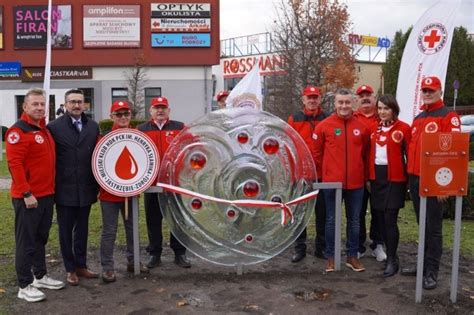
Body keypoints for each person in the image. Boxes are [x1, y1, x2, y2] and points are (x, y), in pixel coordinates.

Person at [6, 88, 65, 302]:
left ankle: (40, 276)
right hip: (29, 198)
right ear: (25, 107)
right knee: (26, 241)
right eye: (35, 104)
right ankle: (24, 284)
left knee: (41, 238)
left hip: (47, 195)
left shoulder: (44, 130)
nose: (40, 108)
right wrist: (26, 193)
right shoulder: (18, 131)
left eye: (43, 104)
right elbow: (15, 164)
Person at [402, 76, 461, 289]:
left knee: (434, 228)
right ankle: (422, 264)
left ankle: (431, 272)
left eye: (431, 90)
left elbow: (452, 152)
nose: (427, 94)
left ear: (440, 91)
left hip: (435, 182)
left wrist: (443, 186)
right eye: (424, 90)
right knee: (422, 225)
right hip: (416, 179)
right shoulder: (418, 118)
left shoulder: (448, 116)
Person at [47, 89, 100, 286]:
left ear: (84, 104)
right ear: (65, 104)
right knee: (65, 231)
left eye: (80, 102)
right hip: (64, 188)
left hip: (86, 187)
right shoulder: (53, 127)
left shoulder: (93, 127)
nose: (76, 105)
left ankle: (81, 265)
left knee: (82, 230)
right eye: (72, 102)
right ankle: (70, 269)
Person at [313, 88, 370, 273]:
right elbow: (317, 153)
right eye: (340, 102)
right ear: (335, 104)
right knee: (331, 220)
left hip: (356, 184)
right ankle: (331, 256)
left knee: (354, 221)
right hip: (332, 184)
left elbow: (366, 154)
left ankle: (352, 256)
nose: (344, 106)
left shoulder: (361, 127)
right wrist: (327, 173)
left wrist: (364, 176)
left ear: (353, 103)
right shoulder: (324, 126)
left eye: (347, 102)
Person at [137, 97, 191, 269]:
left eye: (163, 108)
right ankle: (155, 254)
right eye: (156, 108)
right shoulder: (142, 129)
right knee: (153, 219)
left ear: (169, 110)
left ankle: (179, 253)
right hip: (151, 182)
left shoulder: (180, 127)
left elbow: (191, 146)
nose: (160, 111)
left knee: (177, 218)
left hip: (173, 182)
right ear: (151, 111)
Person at [99, 100, 149, 283]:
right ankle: (107, 267)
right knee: (109, 231)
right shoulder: (104, 137)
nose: (123, 118)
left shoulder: (137, 135)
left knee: (133, 229)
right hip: (109, 194)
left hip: (132, 193)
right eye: (118, 114)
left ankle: (133, 261)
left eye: (126, 114)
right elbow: (99, 165)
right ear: (112, 117)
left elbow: (145, 162)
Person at [368, 94, 411, 277]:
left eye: (386, 108)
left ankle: (392, 259)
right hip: (377, 178)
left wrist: (410, 181)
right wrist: (368, 178)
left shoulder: (404, 129)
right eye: (380, 108)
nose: (382, 112)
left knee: (390, 219)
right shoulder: (374, 130)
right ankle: (390, 255)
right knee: (380, 218)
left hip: (394, 179)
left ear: (393, 109)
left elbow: (410, 155)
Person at [287, 86, 328, 262]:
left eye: (315, 97)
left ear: (320, 99)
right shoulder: (294, 119)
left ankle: (321, 247)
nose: (312, 100)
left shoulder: (327, 118)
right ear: (303, 100)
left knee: (323, 213)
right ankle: (300, 248)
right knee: (300, 213)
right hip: (301, 175)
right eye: (309, 98)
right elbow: (288, 144)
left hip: (322, 174)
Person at [353, 84, 386, 262]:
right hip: (358, 174)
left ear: (374, 98)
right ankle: (358, 245)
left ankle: (377, 244)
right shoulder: (351, 118)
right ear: (357, 100)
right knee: (357, 212)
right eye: (361, 96)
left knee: (378, 210)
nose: (365, 98)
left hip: (377, 174)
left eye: (369, 95)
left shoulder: (382, 117)